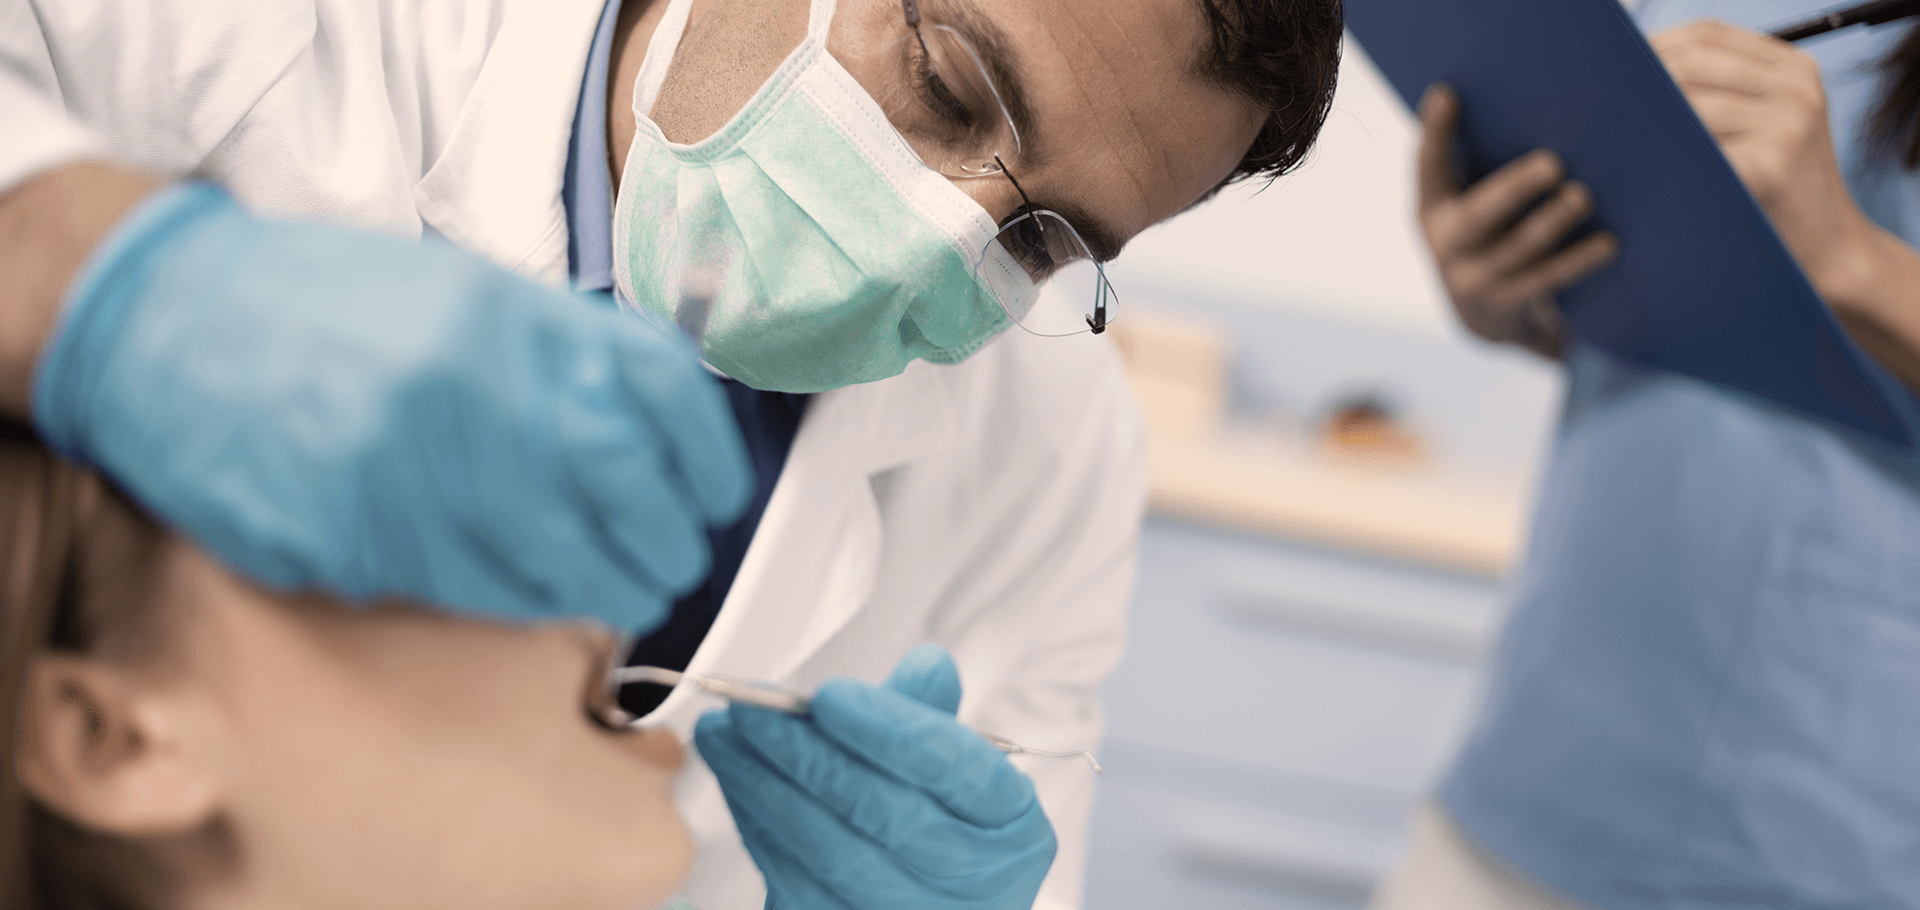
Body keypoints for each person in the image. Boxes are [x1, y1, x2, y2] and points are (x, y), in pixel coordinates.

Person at [4, 0, 1345, 907]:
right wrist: (110, 281)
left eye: (1042, 239)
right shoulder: (259, 37)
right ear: (112, 735)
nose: (951, 237)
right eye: (943, 85)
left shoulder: (1046, 443)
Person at [1370, 2, 1920, 908]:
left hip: (1837, 834)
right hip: (1543, 768)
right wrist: (1518, 288)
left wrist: (1851, 260)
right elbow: (1695, 313)